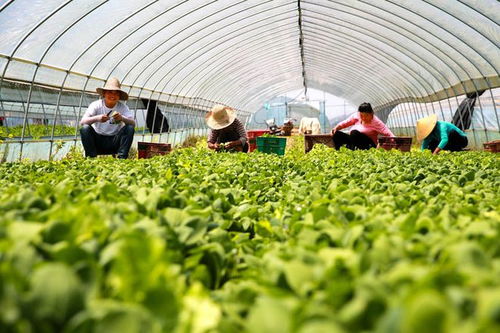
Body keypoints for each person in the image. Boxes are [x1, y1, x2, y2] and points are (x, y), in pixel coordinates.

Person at [80, 77, 135, 158]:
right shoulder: (96, 105)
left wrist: (122, 118)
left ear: (119, 96)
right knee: (85, 128)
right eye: (110, 92)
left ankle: (122, 159)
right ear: (104, 94)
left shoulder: (123, 107)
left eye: (116, 93)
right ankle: (91, 159)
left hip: (115, 141)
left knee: (129, 128)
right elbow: (82, 122)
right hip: (98, 141)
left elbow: (133, 123)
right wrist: (97, 118)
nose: (113, 95)